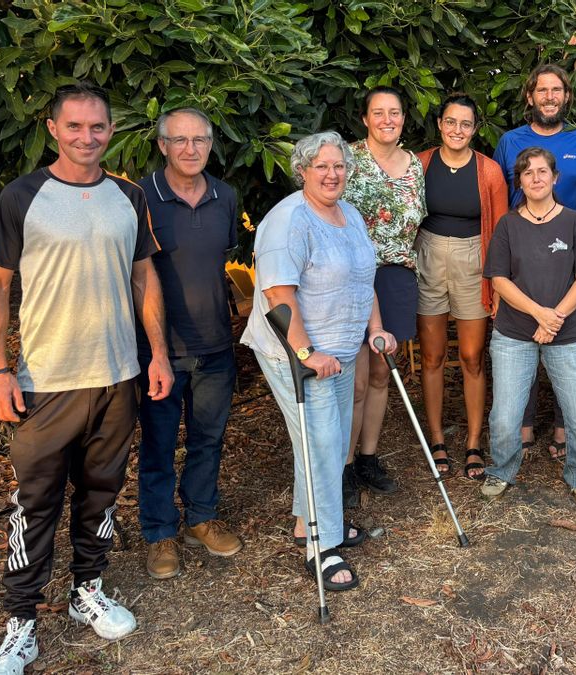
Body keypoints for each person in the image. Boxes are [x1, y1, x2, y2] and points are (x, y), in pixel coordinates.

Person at [0, 82, 174, 675]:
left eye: (97, 127)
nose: (86, 137)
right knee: (34, 502)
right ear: (52, 128)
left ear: (111, 131)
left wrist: (158, 353)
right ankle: (20, 623)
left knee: (101, 492)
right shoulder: (22, 196)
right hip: (47, 381)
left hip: (117, 377)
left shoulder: (128, 195)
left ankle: (86, 587)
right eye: (74, 127)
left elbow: (144, 277)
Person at [240, 132, 396, 593]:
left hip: (343, 350)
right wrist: (308, 353)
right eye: (321, 166)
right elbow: (278, 295)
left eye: (339, 166)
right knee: (323, 444)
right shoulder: (287, 219)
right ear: (303, 170)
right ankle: (322, 546)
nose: (332, 174)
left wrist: (376, 329)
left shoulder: (348, 214)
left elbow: (363, 278)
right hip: (298, 354)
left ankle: (307, 524)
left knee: (326, 439)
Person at [138, 108, 243, 581]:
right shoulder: (140, 197)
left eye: (199, 140)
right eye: (179, 140)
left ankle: (201, 517)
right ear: (162, 145)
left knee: (208, 438)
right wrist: (155, 349)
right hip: (159, 349)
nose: (190, 149)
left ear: (211, 144)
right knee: (159, 444)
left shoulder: (225, 196)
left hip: (216, 346)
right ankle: (160, 532)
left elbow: (225, 262)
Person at [493, 63, 576, 461]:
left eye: (557, 90)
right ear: (530, 97)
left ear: (566, 96)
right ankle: (521, 426)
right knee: (523, 332)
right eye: (542, 90)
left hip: (572, 256)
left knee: (565, 338)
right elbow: (502, 197)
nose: (549, 97)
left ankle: (562, 428)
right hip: (523, 253)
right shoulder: (510, 141)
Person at [481, 147, 576, 503]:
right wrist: (540, 314)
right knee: (504, 420)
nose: (535, 178)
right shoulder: (508, 224)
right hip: (514, 333)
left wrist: (554, 319)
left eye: (542, 171)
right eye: (527, 172)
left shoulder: (575, 222)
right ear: (519, 181)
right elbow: (499, 280)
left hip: (566, 334)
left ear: (555, 177)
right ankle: (501, 470)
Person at [416, 93, 509, 480]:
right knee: (432, 356)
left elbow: (501, 231)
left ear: (475, 129)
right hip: (429, 256)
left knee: (472, 356)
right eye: (451, 122)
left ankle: (473, 441)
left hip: (475, 260)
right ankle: (436, 439)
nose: (458, 130)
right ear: (440, 124)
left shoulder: (488, 171)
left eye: (466, 124)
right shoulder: (419, 164)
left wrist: (499, 284)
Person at [342, 87, 427, 504]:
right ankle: (340, 467)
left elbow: (417, 224)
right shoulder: (348, 159)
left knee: (380, 374)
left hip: (396, 276)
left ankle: (367, 458)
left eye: (395, 112)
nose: (388, 119)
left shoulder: (414, 164)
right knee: (354, 380)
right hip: (352, 275)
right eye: (379, 113)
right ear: (365, 119)